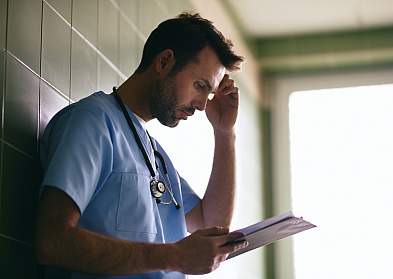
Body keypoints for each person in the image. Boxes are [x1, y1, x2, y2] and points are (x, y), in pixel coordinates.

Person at [35, 13, 247, 279]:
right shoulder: (92, 122)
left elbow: (212, 226)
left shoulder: (154, 154)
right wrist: (175, 257)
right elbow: (52, 241)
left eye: (209, 92)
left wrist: (225, 131)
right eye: (199, 86)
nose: (202, 105)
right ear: (164, 62)